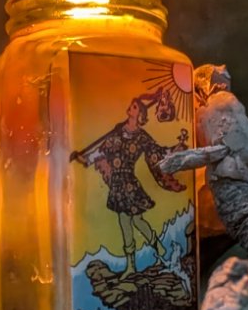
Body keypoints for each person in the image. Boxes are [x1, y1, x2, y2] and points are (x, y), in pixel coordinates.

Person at [71, 83, 189, 267]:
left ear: (140, 115)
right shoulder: (118, 130)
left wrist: (175, 149)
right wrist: (83, 158)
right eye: (132, 105)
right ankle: (133, 266)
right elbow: (103, 149)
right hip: (117, 184)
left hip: (129, 183)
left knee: (137, 221)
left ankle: (159, 250)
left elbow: (156, 151)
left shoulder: (141, 137)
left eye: (135, 106)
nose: (131, 107)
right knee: (125, 223)